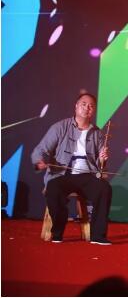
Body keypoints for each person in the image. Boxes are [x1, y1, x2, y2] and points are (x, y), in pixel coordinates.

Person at [31, 92, 113, 245]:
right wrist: (39, 161)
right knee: (53, 188)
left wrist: (102, 159)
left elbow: (100, 166)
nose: (87, 108)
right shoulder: (60, 127)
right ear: (76, 106)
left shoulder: (97, 133)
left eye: (91, 106)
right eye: (83, 104)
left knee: (104, 189)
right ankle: (57, 232)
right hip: (63, 174)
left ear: (94, 111)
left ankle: (98, 236)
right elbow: (40, 149)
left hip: (87, 175)